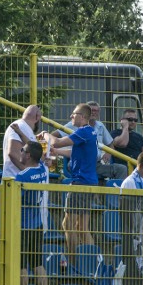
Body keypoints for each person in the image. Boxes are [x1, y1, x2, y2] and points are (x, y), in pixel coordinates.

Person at [38, 103, 98, 261]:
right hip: (89, 183)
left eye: (74, 114)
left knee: (68, 224)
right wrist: (57, 152)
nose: (71, 116)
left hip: (81, 183)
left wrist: (45, 134)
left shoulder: (83, 131)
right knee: (81, 228)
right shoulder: (89, 132)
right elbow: (76, 152)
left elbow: (56, 142)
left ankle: (73, 260)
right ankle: (93, 262)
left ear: (83, 117)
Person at [14, 141, 51, 285]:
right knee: (38, 264)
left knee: (22, 266)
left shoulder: (22, 175)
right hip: (37, 224)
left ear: (28, 155)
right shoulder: (43, 170)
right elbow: (43, 158)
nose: (20, 152)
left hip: (23, 225)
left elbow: (15, 199)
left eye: (23, 150)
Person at [2, 104, 42, 179]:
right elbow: (12, 153)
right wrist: (29, 173)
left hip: (20, 181)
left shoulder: (25, 128)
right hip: (15, 180)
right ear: (37, 117)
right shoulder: (20, 126)